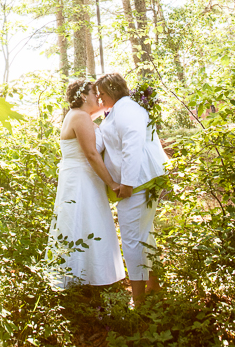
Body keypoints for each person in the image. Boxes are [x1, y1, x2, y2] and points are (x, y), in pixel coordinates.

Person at [96, 72, 168, 306]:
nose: (100, 98)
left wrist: (127, 183)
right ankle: (154, 288)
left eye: (102, 94)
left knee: (131, 239)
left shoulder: (127, 109)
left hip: (139, 181)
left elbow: (132, 143)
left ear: (113, 91)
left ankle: (138, 299)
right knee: (143, 234)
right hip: (143, 179)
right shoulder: (119, 110)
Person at [47, 78, 126, 289]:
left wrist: (116, 101)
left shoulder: (80, 115)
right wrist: (112, 183)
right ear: (83, 96)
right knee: (82, 223)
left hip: (82, 177)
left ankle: (88, 278)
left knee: (87, 223)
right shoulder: (80, 117)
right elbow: (91, 153)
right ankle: (83, 281)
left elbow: (99, 111)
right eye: (94, 94)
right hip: (81, 179)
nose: (98, 97)